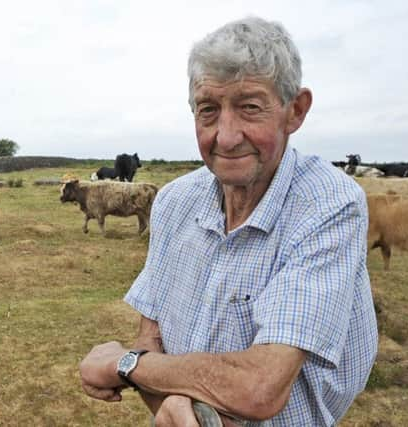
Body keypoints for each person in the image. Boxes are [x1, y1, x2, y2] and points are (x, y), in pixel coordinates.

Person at [79, 16, 378, 426]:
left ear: (295, 111)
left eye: (250, 107)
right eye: (208, 110)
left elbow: (260, 387)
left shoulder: (328, 204)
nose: (227, 136)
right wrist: (172, 405)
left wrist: (124, 364)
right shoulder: (173, 202)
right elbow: (152, 338)